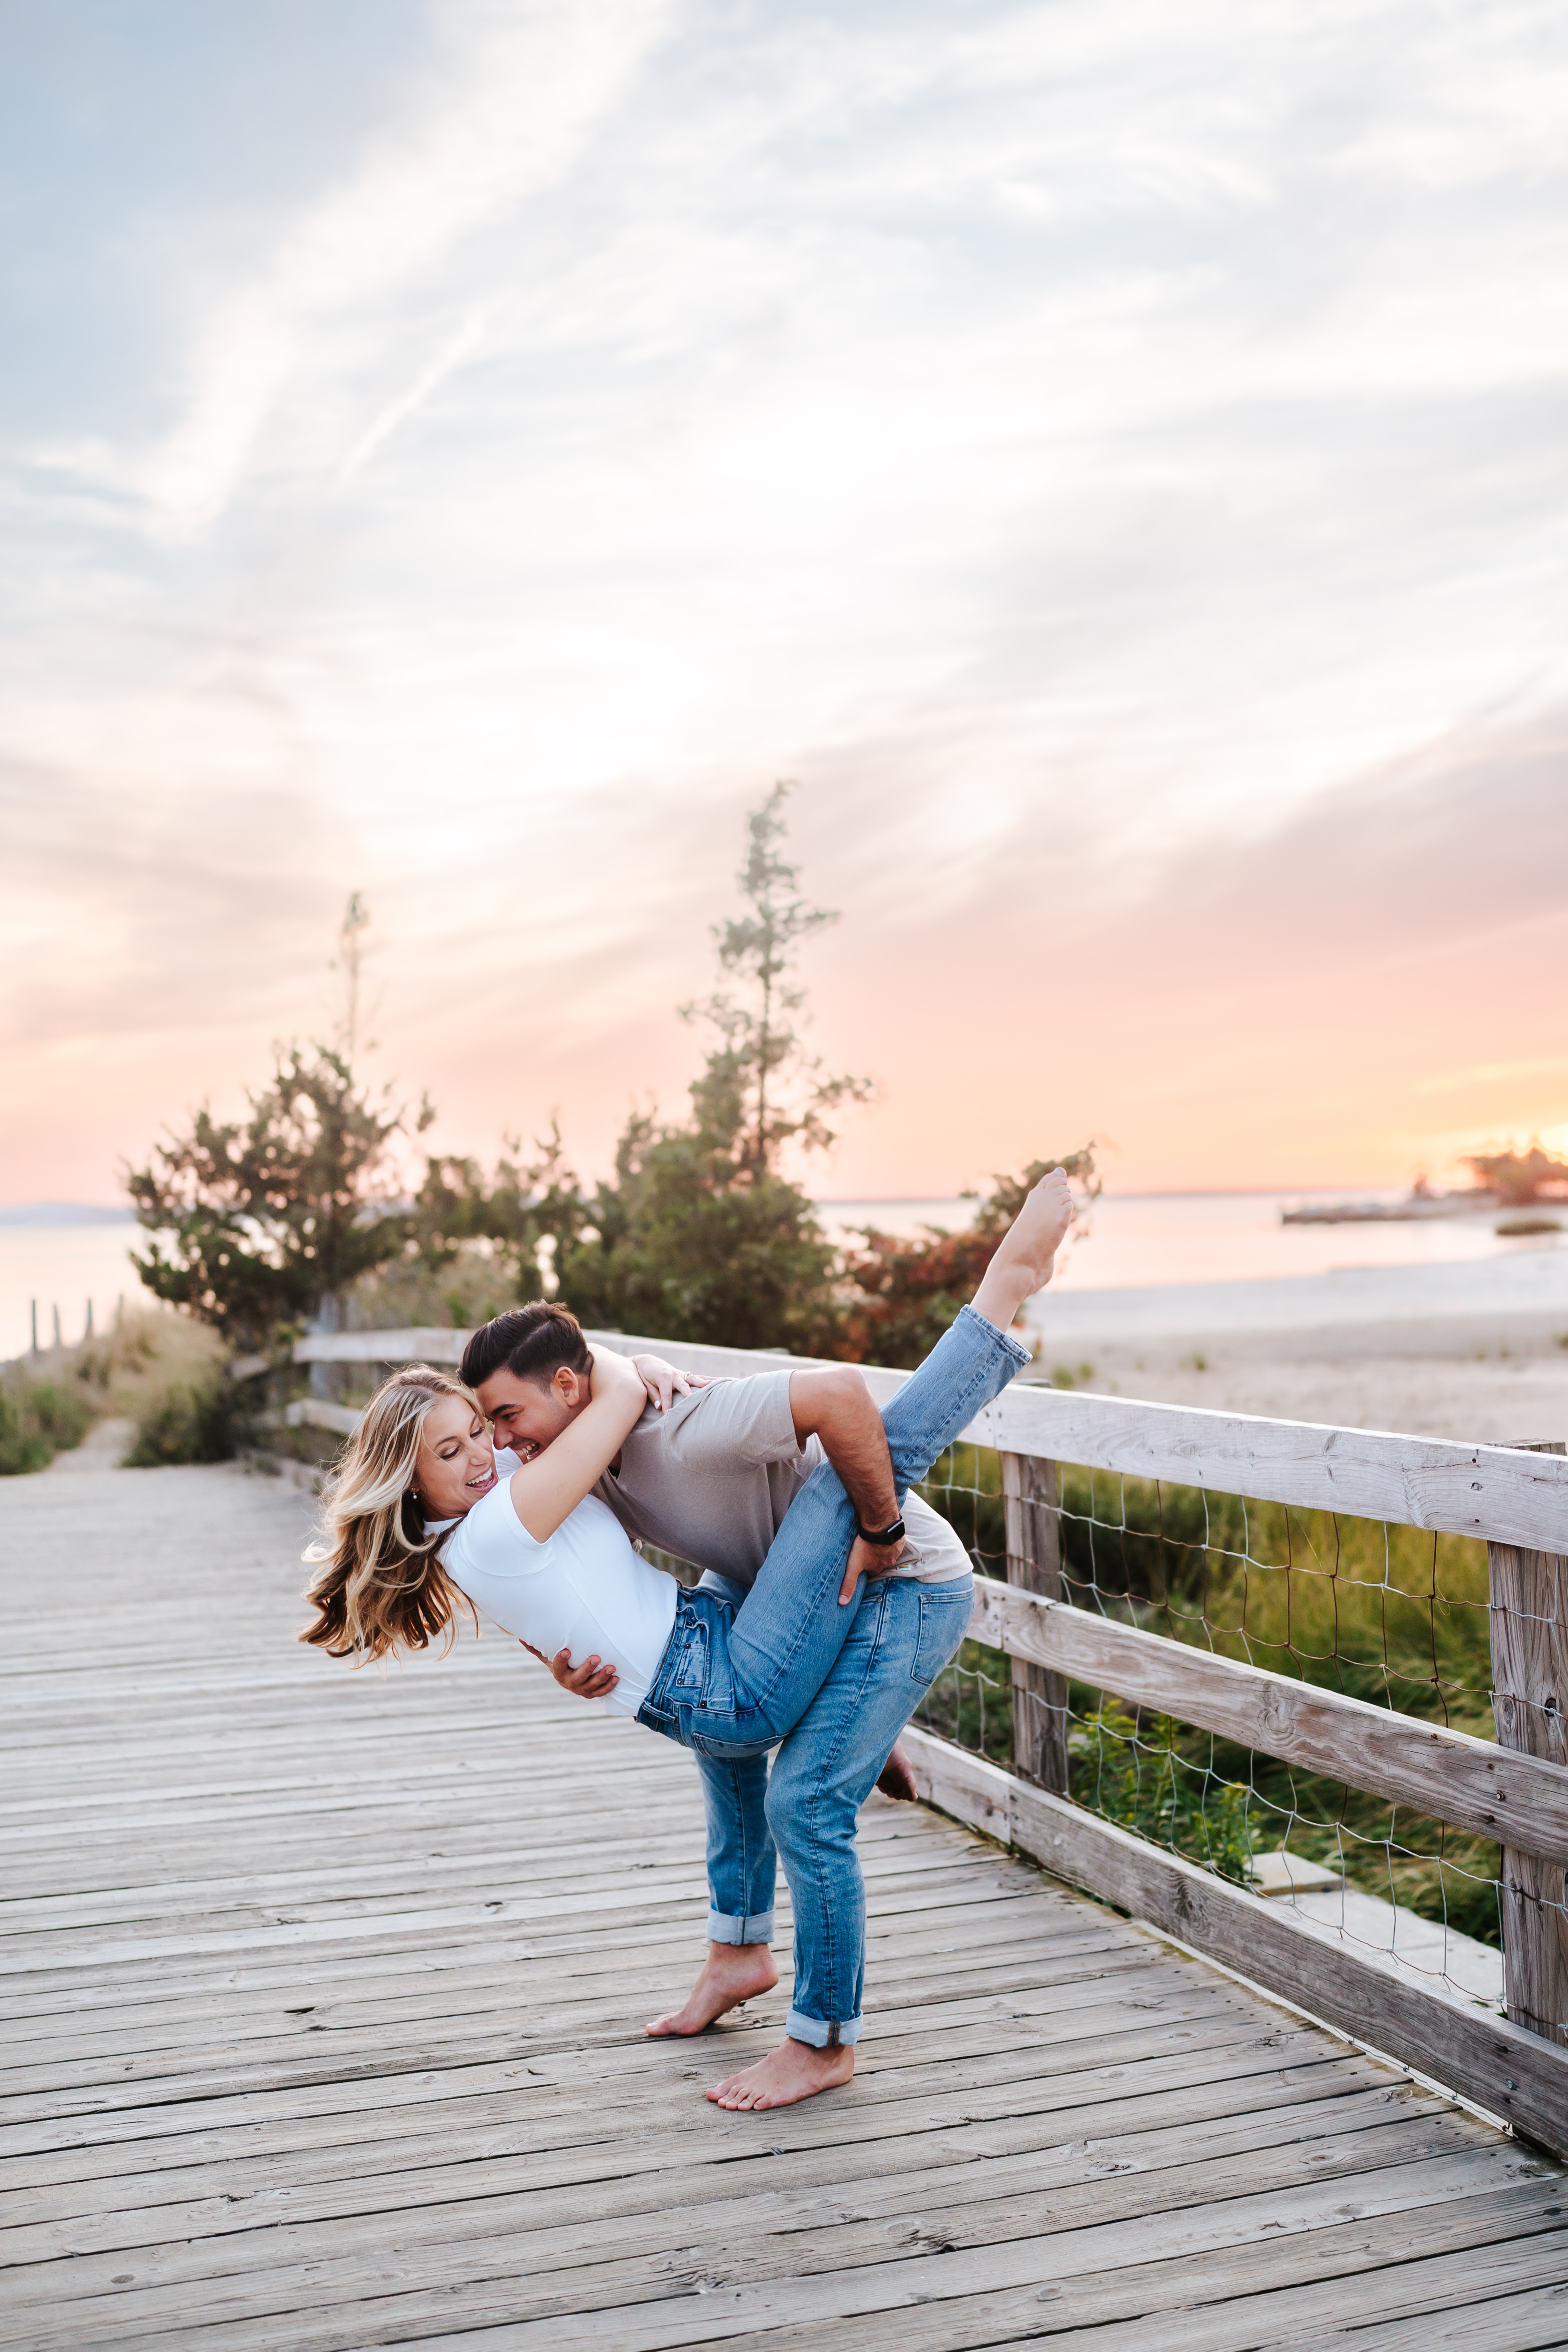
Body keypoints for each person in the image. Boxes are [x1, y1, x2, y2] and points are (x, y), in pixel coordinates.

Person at [301, 1168, 1071, 2107]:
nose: (488, 1452)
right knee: (837, 1506)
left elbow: (589, 1416)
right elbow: (606, 1395)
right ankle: (999, 1302)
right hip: (719, 1683)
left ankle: (739, 1952)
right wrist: (629, 1371)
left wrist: (562, 1654)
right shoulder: (501, 1519)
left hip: (704, 1642)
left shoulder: (493, 1505)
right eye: (456, 1448)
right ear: (410, 1481)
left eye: (486, 1429)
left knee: (765, 1697)